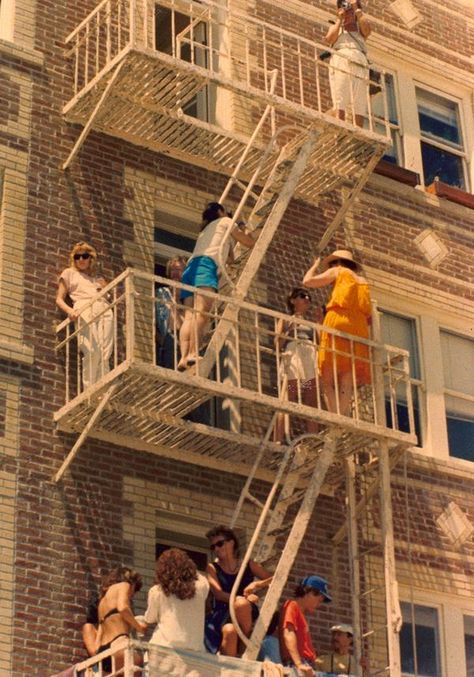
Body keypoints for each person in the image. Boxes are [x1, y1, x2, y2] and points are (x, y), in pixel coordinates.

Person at [177, 202, 255, 371]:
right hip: (206, 267)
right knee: (202, 313)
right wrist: (245, 228)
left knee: (189, 316)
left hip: (190, 269)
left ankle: (183, 357)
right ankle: (192, 353)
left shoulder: (206, 231)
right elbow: (249, 243)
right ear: (221, 211)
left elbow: (230, 259)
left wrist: (234, 239)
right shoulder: (226, 221)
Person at [303, 249, 371, 416]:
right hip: (359, 327)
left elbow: (308, 281)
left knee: (327, 376)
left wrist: (314, 266)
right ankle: (343, 415)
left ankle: (335, 415)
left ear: (336, 263)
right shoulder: (362, 280)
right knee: (346, 377)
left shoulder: (338, 270)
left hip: (339, 319)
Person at [205, 525, 273, 657]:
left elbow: (274, 579)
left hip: (244, 611)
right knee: (229, 631)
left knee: (241, 605)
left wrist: (257, 584)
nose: (216, 549)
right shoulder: (212, 568)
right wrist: (243, 598)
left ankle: (243, 650)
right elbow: (218, 594)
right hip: (223, 612)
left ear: (231, 542)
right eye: (213, 547)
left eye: (219, 544)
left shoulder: (247, 564)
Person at [56, 241, 113, 390]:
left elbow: (108, 297)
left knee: (105, 352)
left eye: (84, 256)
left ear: (90, 258)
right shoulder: (69, 273)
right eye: (77, 256)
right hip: (84, 308)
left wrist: (104, 287)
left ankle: (103, 389)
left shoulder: (98, 279)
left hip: (104, 309)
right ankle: (90, 390)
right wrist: (70, 311)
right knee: (91, 349)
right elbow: (59, 299)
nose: (81, 259)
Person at [274, 288, 319, 443]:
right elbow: (277, 343)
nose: (306, 298)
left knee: (311, 398)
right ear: (293, 300)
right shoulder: (286, 319)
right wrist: (289, 330)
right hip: (293, 355)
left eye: (308, 297)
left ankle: (313, 439)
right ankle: (278, 438)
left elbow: (320, 342)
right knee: (288, 396)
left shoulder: (311, 324)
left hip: (309, 358)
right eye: (302, 296)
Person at [144, 548, 209, 651]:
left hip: (163, 648)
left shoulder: (156, 591)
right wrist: (188, 568)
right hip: (195, 651)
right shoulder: (201, 587)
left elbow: (150, 619)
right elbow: (199, 576)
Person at [325, 0, 371, 127]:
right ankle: (340, 124)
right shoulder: (336, 27)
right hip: (341, 57)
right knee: (340, 92)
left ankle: (358, 128)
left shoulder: (360, 27)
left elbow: (367, 31)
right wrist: (340, 20)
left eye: (350, 8)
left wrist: (357, 9)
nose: (348, 11)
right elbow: (329, 39)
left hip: (359, 59)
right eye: (345, 7)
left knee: (359, 99)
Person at [95, 566, 147, 674]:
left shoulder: (102, 601)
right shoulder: (124, 585)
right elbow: (122, 607)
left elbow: (99, 636)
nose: (132, 595)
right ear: (131, 582)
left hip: (103, 651)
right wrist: (139, 627)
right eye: (135, 589)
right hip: (119, 643)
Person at [279, 575, 332, 676]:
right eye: (319, 600)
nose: (319, 604)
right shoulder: (292, 605)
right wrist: (298, 664)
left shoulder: (300, 613)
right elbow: (288, 633)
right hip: (299, 664)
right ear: (309, 592)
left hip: (306, 664)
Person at [156, 256, 187, 368]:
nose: (175, 273)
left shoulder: (189, 297)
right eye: (172, 270)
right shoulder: (162, 293)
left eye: (179, 270)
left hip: (186, 342)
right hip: (170, 339)